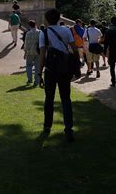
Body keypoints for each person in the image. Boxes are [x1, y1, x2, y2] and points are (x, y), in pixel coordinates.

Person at [38, 8, 78, 141]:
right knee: (66, 99)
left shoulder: (44, 33)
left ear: (47, 20)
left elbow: (43, 54)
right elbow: (74, 49)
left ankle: (47, 126)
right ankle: (68, 128)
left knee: (49, 99)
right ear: (59, 18)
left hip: (50, 70)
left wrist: (39, 72)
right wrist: (76, 66)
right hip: (64, 68)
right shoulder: (66, 30)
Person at [24, 20, 40, 86]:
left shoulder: (28, 33)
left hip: (30, 52)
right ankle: (36, 81)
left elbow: (26, 44)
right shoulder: (40, 32)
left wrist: (25, 53)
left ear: (29, 26)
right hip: (38, 52)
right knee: (37, 67)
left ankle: (30, 79)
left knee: (29, 66)